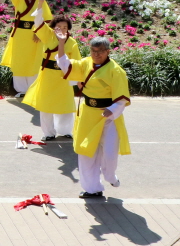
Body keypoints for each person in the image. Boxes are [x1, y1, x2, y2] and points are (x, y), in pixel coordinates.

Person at [56, 34, 131, 199]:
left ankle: (110, 176)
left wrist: (111, 110)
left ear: (108, 51)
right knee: (86, 151)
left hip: (109, 117)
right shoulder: (85, 63)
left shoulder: (116, 71)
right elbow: (64, 64)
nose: (97, 54)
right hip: (88, 114)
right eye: (93, 50)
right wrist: (61, 43)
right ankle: (92, 188)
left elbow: (122, 98)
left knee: (110, 154)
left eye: (101, 51)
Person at [22, 0, 80, 141]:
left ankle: (65, 130)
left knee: (66, 105)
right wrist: (40, 4)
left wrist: (78, 80)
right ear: (54, 27)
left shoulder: (72, 43)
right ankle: (48, 133)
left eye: (65, 28)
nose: (62, 30)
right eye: (59, 27)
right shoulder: (48, 36)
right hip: (47, 75)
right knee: (46, 106)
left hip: (63, 76)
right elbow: (39, 22)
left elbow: (77, 62)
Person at [0, 0, 52, 97]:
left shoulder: (40, 0)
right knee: (19, 60)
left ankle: (32, 89)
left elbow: (47, 18)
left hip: (35, 34)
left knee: (34, 60)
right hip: (20, 35)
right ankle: (22, 90)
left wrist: (39, 32)